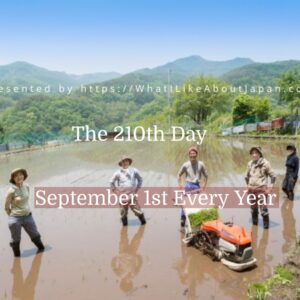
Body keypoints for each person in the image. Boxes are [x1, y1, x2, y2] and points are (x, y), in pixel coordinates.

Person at [5, 168, 45, 257]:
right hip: (15, 219)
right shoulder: (11, 190)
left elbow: (26, 201)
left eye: (20, 174)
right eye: (16, 176)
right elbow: (6, 207)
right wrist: (14, 216)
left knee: (36, 237)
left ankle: (41, 253)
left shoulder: (26, 186)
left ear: (24, 175)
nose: (19, 177)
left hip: (28, 216)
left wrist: (26, 210)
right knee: (16, 241)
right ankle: (17, 257)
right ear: (13, 179)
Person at [245, 147, 276, 229]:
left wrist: (270, 188)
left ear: (260, 153)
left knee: (264, 211)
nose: (254, 155)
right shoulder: (250, 163)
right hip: (251, 190)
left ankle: (266, 229)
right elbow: (246, 176)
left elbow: (273, 176)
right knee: (253, 210)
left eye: (256, 153)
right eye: (252, 153)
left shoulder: (265, 163)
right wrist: (247, 186)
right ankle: (254, 228)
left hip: (262, 190)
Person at [110, 155, 146, 226]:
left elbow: (140, 179)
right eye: (123, 161)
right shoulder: (118, 173)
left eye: (127, 161)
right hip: (122, 197)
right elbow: (111, 181)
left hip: (132, 196)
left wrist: (137, 188)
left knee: (138, 211)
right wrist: (115, 191)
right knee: (123, 213)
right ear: (121, 163)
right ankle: (124, 227)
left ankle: (143, 224)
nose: (125, 162)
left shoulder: (134, 171)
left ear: (129, 162)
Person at [177, 146, 208, 227]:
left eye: (194, 153)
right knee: (185, 203)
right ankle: (183, 219)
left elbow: (206, 176)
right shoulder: (185, 165)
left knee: (196, 205)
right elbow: (179, 175)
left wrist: (204, 188)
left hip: (197, 186)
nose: (192, 155)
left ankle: (194, 221)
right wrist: (180, 186)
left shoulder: (201, 164)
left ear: (196, 154)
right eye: (191, 153)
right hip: (188, 185)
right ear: (189, 155)